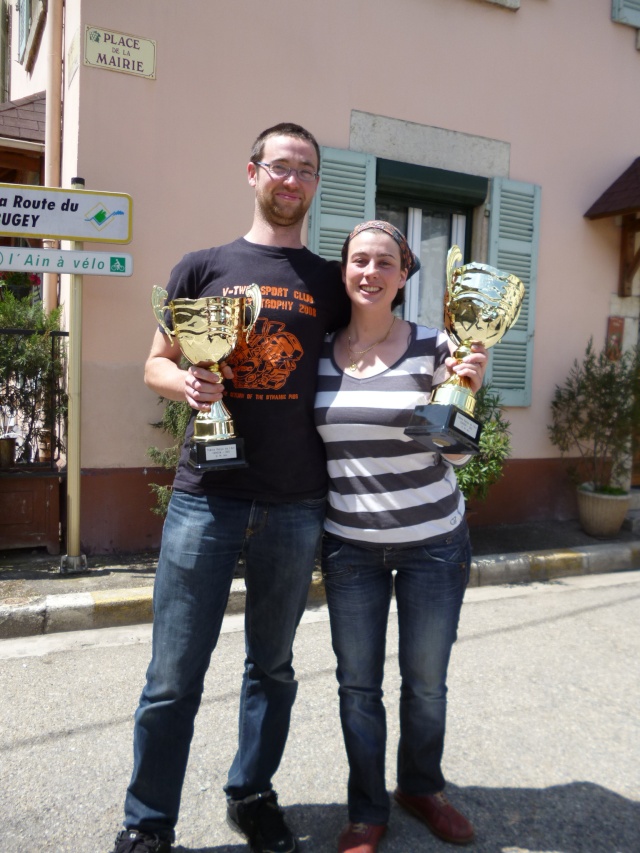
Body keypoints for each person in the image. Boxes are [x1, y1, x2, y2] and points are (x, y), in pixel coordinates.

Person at [111, 123, 350, 853]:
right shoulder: (203, 266)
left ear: (314, 184)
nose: (293, 179)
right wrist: (185, 379)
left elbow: (366, 359)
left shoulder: (329, 284)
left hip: (296, 501)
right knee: (173, 674)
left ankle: (252, 792)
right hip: (205, 498)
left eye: (306, 169)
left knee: (272, 667)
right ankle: (148, 822)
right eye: (281, 165)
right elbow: (154, 361)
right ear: (252, 173)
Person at [314, 221, 487, 853]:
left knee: (426, 681)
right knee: (357, 684)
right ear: (344, 272)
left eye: (385, 262)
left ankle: (421, 786)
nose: (370, 271)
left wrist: (467, 389)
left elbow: (461, 455)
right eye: (359, 260)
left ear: (403, 275)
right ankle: (367, 810)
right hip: (349, 545)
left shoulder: (438, 346)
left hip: (434, 542)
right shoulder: (318, 352)